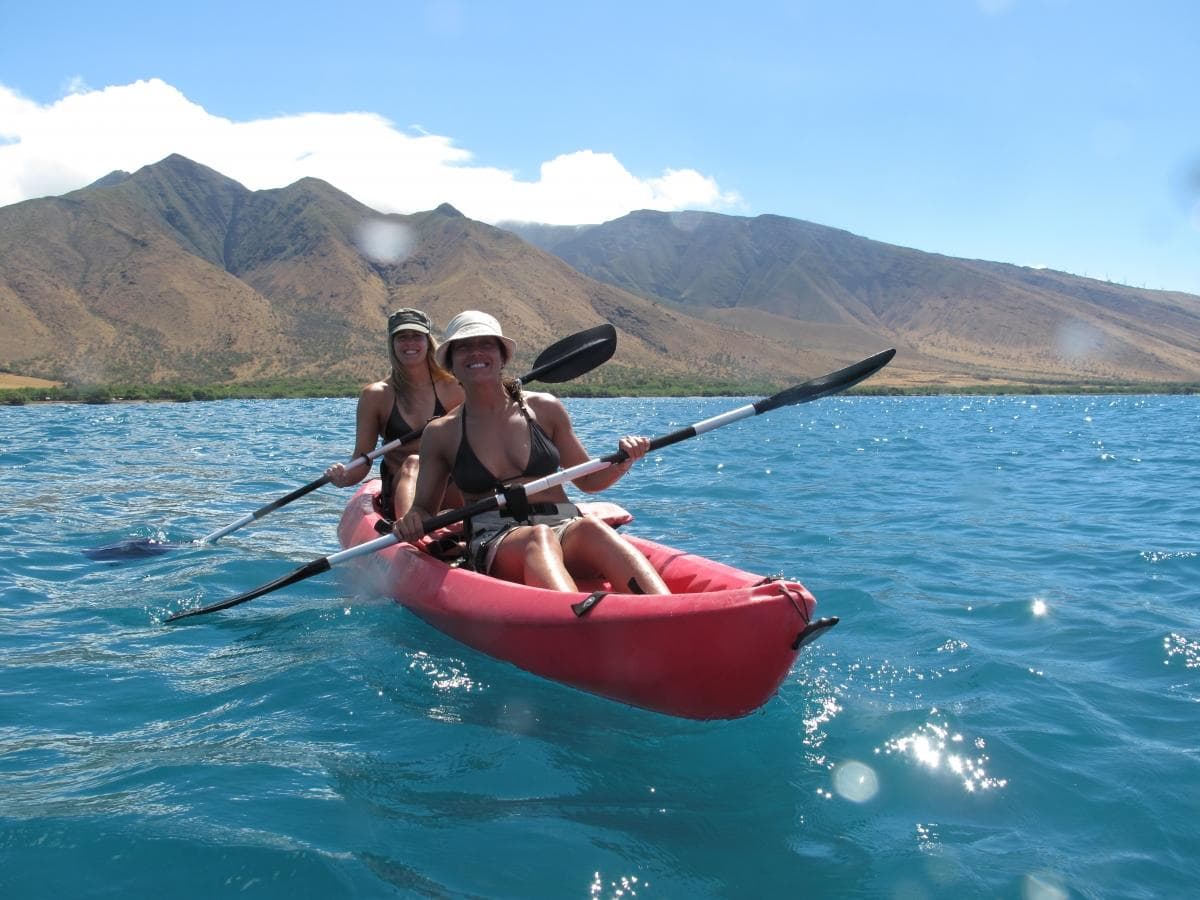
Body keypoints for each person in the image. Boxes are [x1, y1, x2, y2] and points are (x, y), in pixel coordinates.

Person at [395, 310, 670, 595]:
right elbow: (424, 508)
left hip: (563, 522)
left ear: (502, 357)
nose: (476, 352)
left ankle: (663, 608)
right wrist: (413, 519)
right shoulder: (441, 432)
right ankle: (571, 616)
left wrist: (623, 461)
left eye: (486, 344)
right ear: (451, 363)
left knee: (593, 529)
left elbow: (588, 481)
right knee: (538, 539)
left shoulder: (545, 408)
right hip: (496, 536)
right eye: (464, 347)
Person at [325, 308, 464, 520]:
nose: (410, 344)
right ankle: (411, 528)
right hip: (403, 488)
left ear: (428, 342)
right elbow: (362, 459)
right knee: (414, 463)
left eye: (416, 336)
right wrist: (343, 476)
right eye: (402, 337)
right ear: (392, 343)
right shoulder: (376, 395)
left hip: (450, 483)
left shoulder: (454, 387)